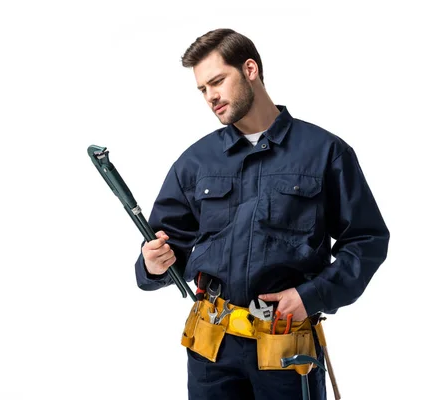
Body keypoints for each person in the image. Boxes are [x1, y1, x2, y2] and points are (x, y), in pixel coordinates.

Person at [133, 28, 390, 400]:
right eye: (203, 89)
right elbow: (166, 247)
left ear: (250, 68)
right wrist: (152, 265)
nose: (211, 97)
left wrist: (313, 295)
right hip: (212, 351)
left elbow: (367, 240)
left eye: (217, 81)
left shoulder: (324, 153)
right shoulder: (195, 162)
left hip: (286, 349)